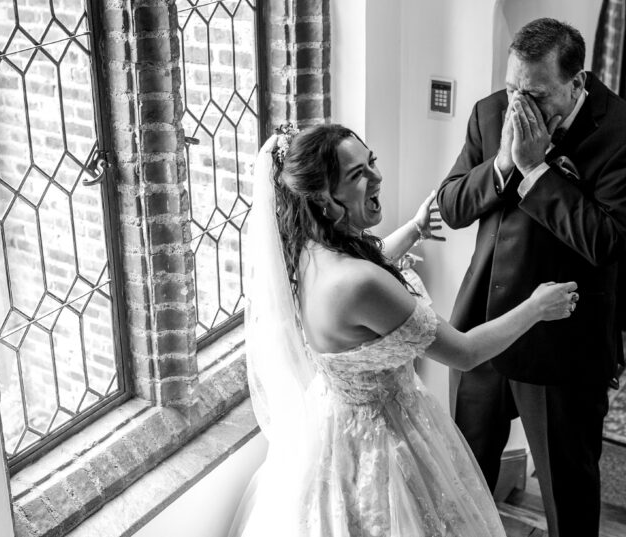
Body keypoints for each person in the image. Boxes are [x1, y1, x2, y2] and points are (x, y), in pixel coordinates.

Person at [229, 122, 578, 537]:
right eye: (358, 174)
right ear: (324, 198)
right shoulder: (359, 284)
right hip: (384, 438)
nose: (377, 176)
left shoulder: (306, 251)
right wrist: (536, 307)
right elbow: (464, 352)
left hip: (333, 426)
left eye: (370, 161)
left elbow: (366, 273)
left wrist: (413, 229)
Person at [438, 18, 626, 537]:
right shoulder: (491, 112)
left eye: (534, 93)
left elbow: (605, 240)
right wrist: (500, 167)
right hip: (485, 333)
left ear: (576, 83)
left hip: (564, 344)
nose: (518, 104)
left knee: (568, 492)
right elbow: (451, 206)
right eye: (512, 86)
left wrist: (535, 171)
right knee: (465, 473)